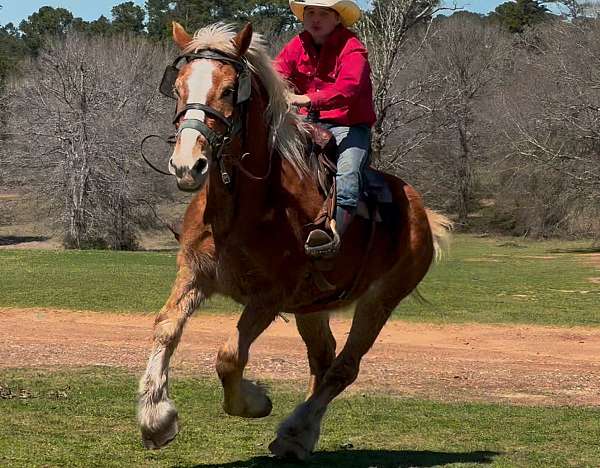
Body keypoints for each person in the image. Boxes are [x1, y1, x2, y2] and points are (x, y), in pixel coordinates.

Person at [274, 0, 376, 257]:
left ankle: (330, 235)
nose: (315, 19)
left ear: (338, 18)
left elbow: (349, 89)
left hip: (348, 125)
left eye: (323, 13)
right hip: (306, 123)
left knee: (348, 174)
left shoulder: (353, 49)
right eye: (310, 13)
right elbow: (276, 73)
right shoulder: (296, 45)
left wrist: (307, 99)